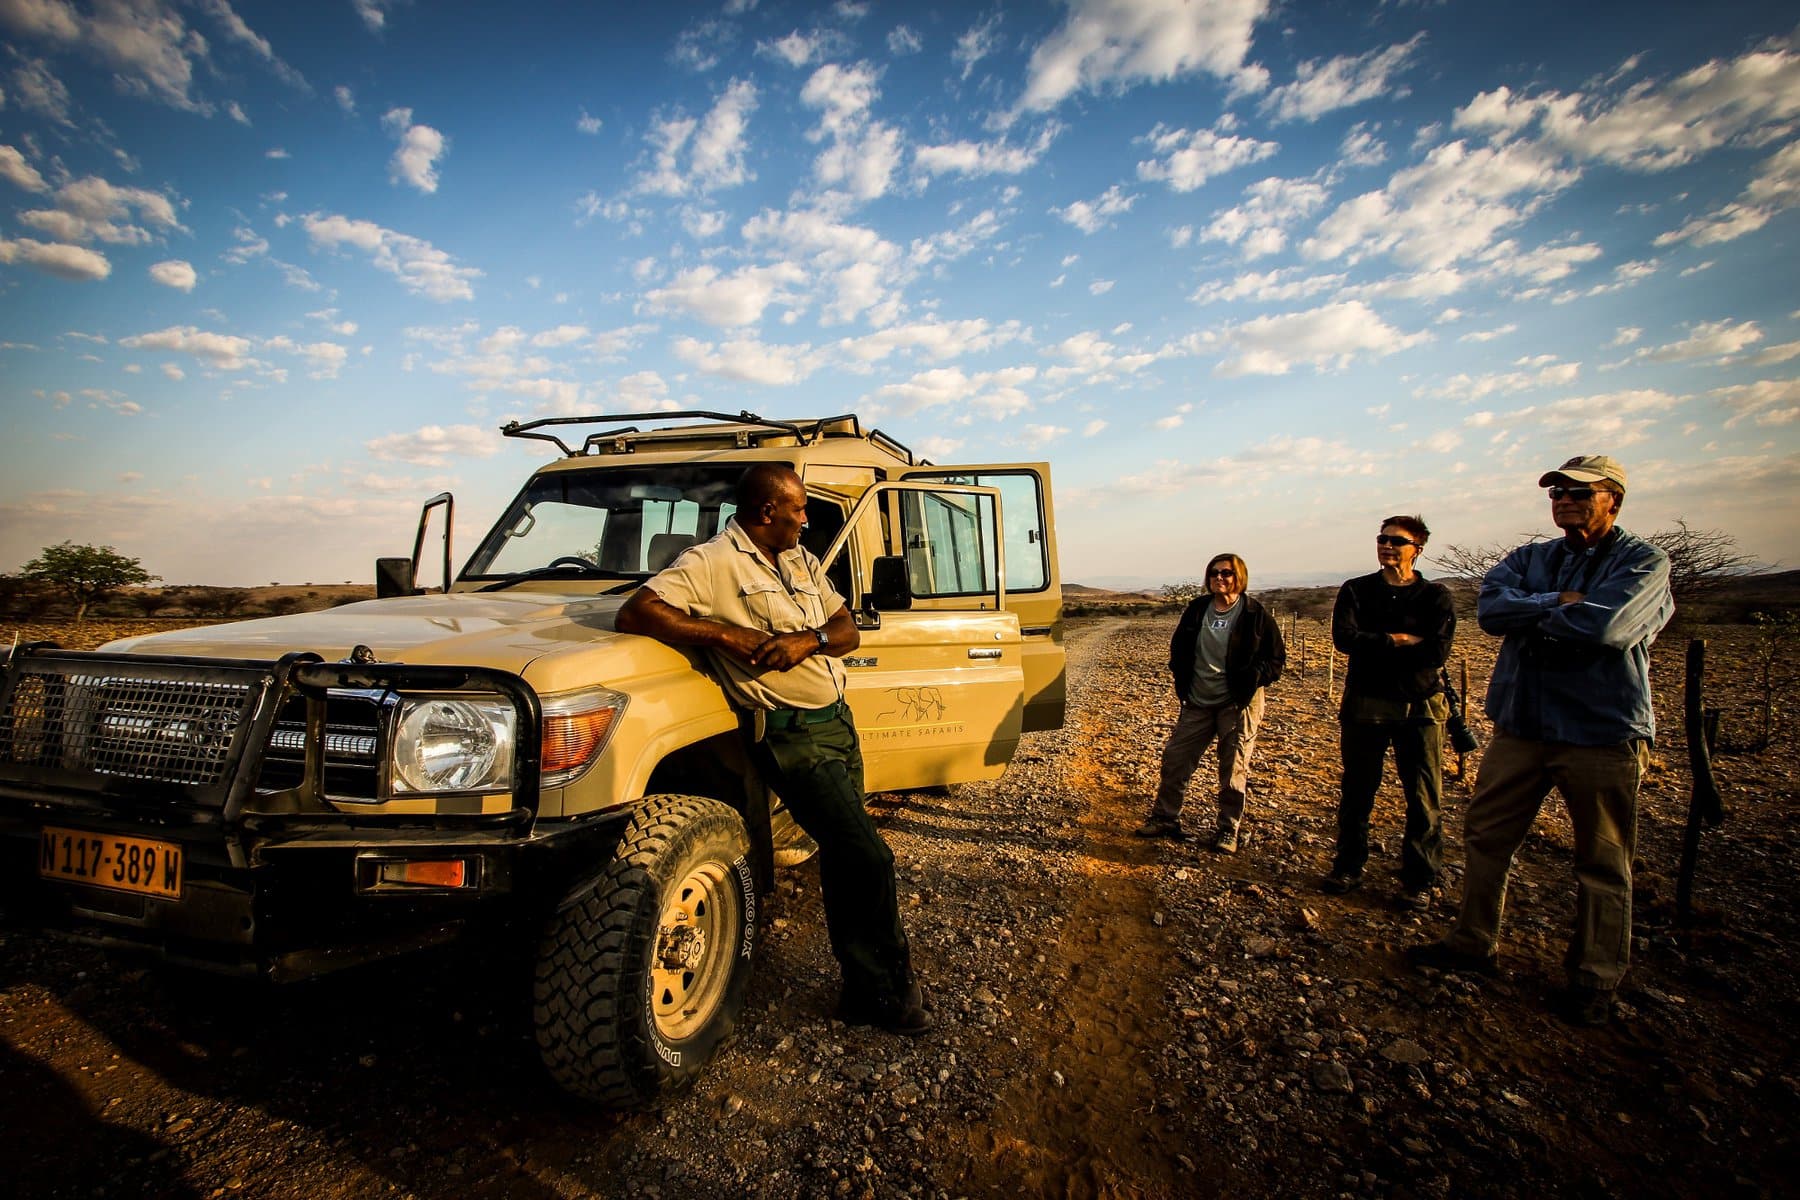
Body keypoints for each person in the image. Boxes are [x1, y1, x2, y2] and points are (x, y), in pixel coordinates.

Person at [615, 464, 931, 1036]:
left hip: (836, 722)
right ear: (767, 512)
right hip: (791, 734)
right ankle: (887, 996)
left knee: (842, 849)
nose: (806, 520)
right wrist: (728, 636)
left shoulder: (801, 562)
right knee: (868, 856)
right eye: (800, 510)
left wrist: (806, 641)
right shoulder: (711, 563)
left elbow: (846, 629)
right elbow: (637, 611)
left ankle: (859, 986)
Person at [1406, 455, 1673, 1027]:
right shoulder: (1533, 557)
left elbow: (1608, 628)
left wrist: (1534, 611)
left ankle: (1595, 976)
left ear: (1614, 501)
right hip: (1522, 725)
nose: (1564, 500)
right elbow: (1492, 611)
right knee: (1485, 833)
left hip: (1601, 731)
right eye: (1557, 493)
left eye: (1580, 492)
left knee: (1602, 858)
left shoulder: (1644, 561)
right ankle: (1474, 942)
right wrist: (1558, 603)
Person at [1322, 516, 1456, 911]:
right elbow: (1344, 640)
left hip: (1422, 704)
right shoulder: (1357, 590)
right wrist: (1396, 639)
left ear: (1418, 547)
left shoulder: (1435, 595)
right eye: (1382, 539)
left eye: (1397, 541)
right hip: (1366, 702)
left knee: (1423, 794)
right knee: (1358, 789)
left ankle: (1420, 878)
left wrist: (1375, 644)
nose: (1387, 546)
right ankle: (1348, 866)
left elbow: (1436, 652)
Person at [1133, 553, 1286, 853]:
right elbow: (1179, 648)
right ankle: (1165, 818)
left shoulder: (1254, 613)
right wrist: (1182, 680)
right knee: (1176, 759)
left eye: (1227, 573)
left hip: (1238, 705)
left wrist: (1254, 678)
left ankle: (1228, 830)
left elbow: (1276, 660)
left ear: (1239, 577)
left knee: (1233, 769)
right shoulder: (1197, 609)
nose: (1220, 577)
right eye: (1214, 572)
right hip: (1198, 702)